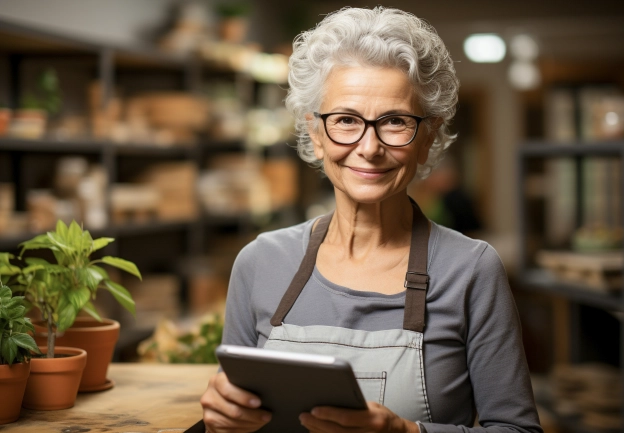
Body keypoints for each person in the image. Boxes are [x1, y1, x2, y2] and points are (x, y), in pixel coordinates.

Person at [201, 7, 542, 433]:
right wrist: (223, 418)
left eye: (395, 121)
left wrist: (405, 432)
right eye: (345, 120)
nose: (369, 147)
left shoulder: (471, 269)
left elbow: (519, 430)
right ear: (315, 133)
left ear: (428, 135)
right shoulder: (260, 262)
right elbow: (234, 410)